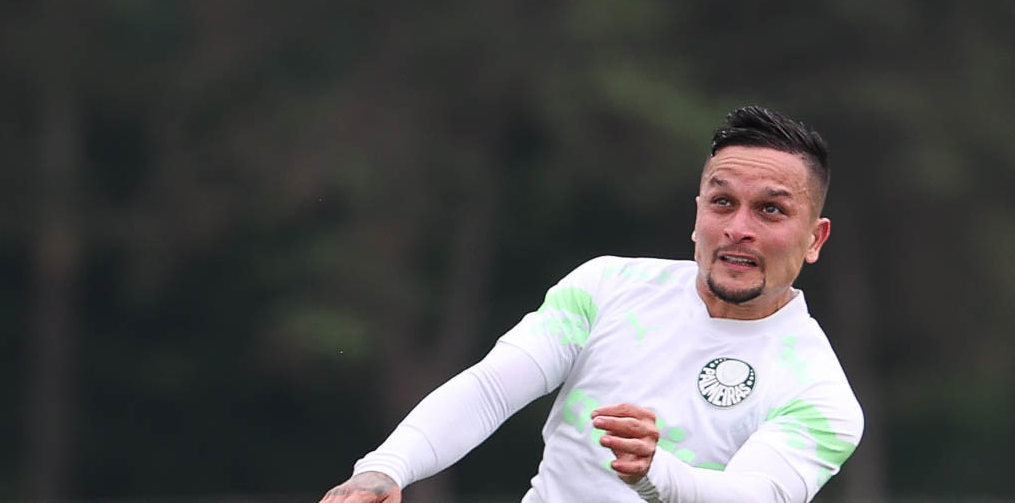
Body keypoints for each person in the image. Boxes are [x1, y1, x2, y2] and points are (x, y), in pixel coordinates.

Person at [319, 106, 864, 503]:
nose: (738, 228)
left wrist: (657, 472)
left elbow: (754, 497)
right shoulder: (608, 287)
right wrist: (386, 469)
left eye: (770, 210)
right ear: (697, 214)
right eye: (723, 202)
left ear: (815, 238)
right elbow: (489, 389)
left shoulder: (820, 395)